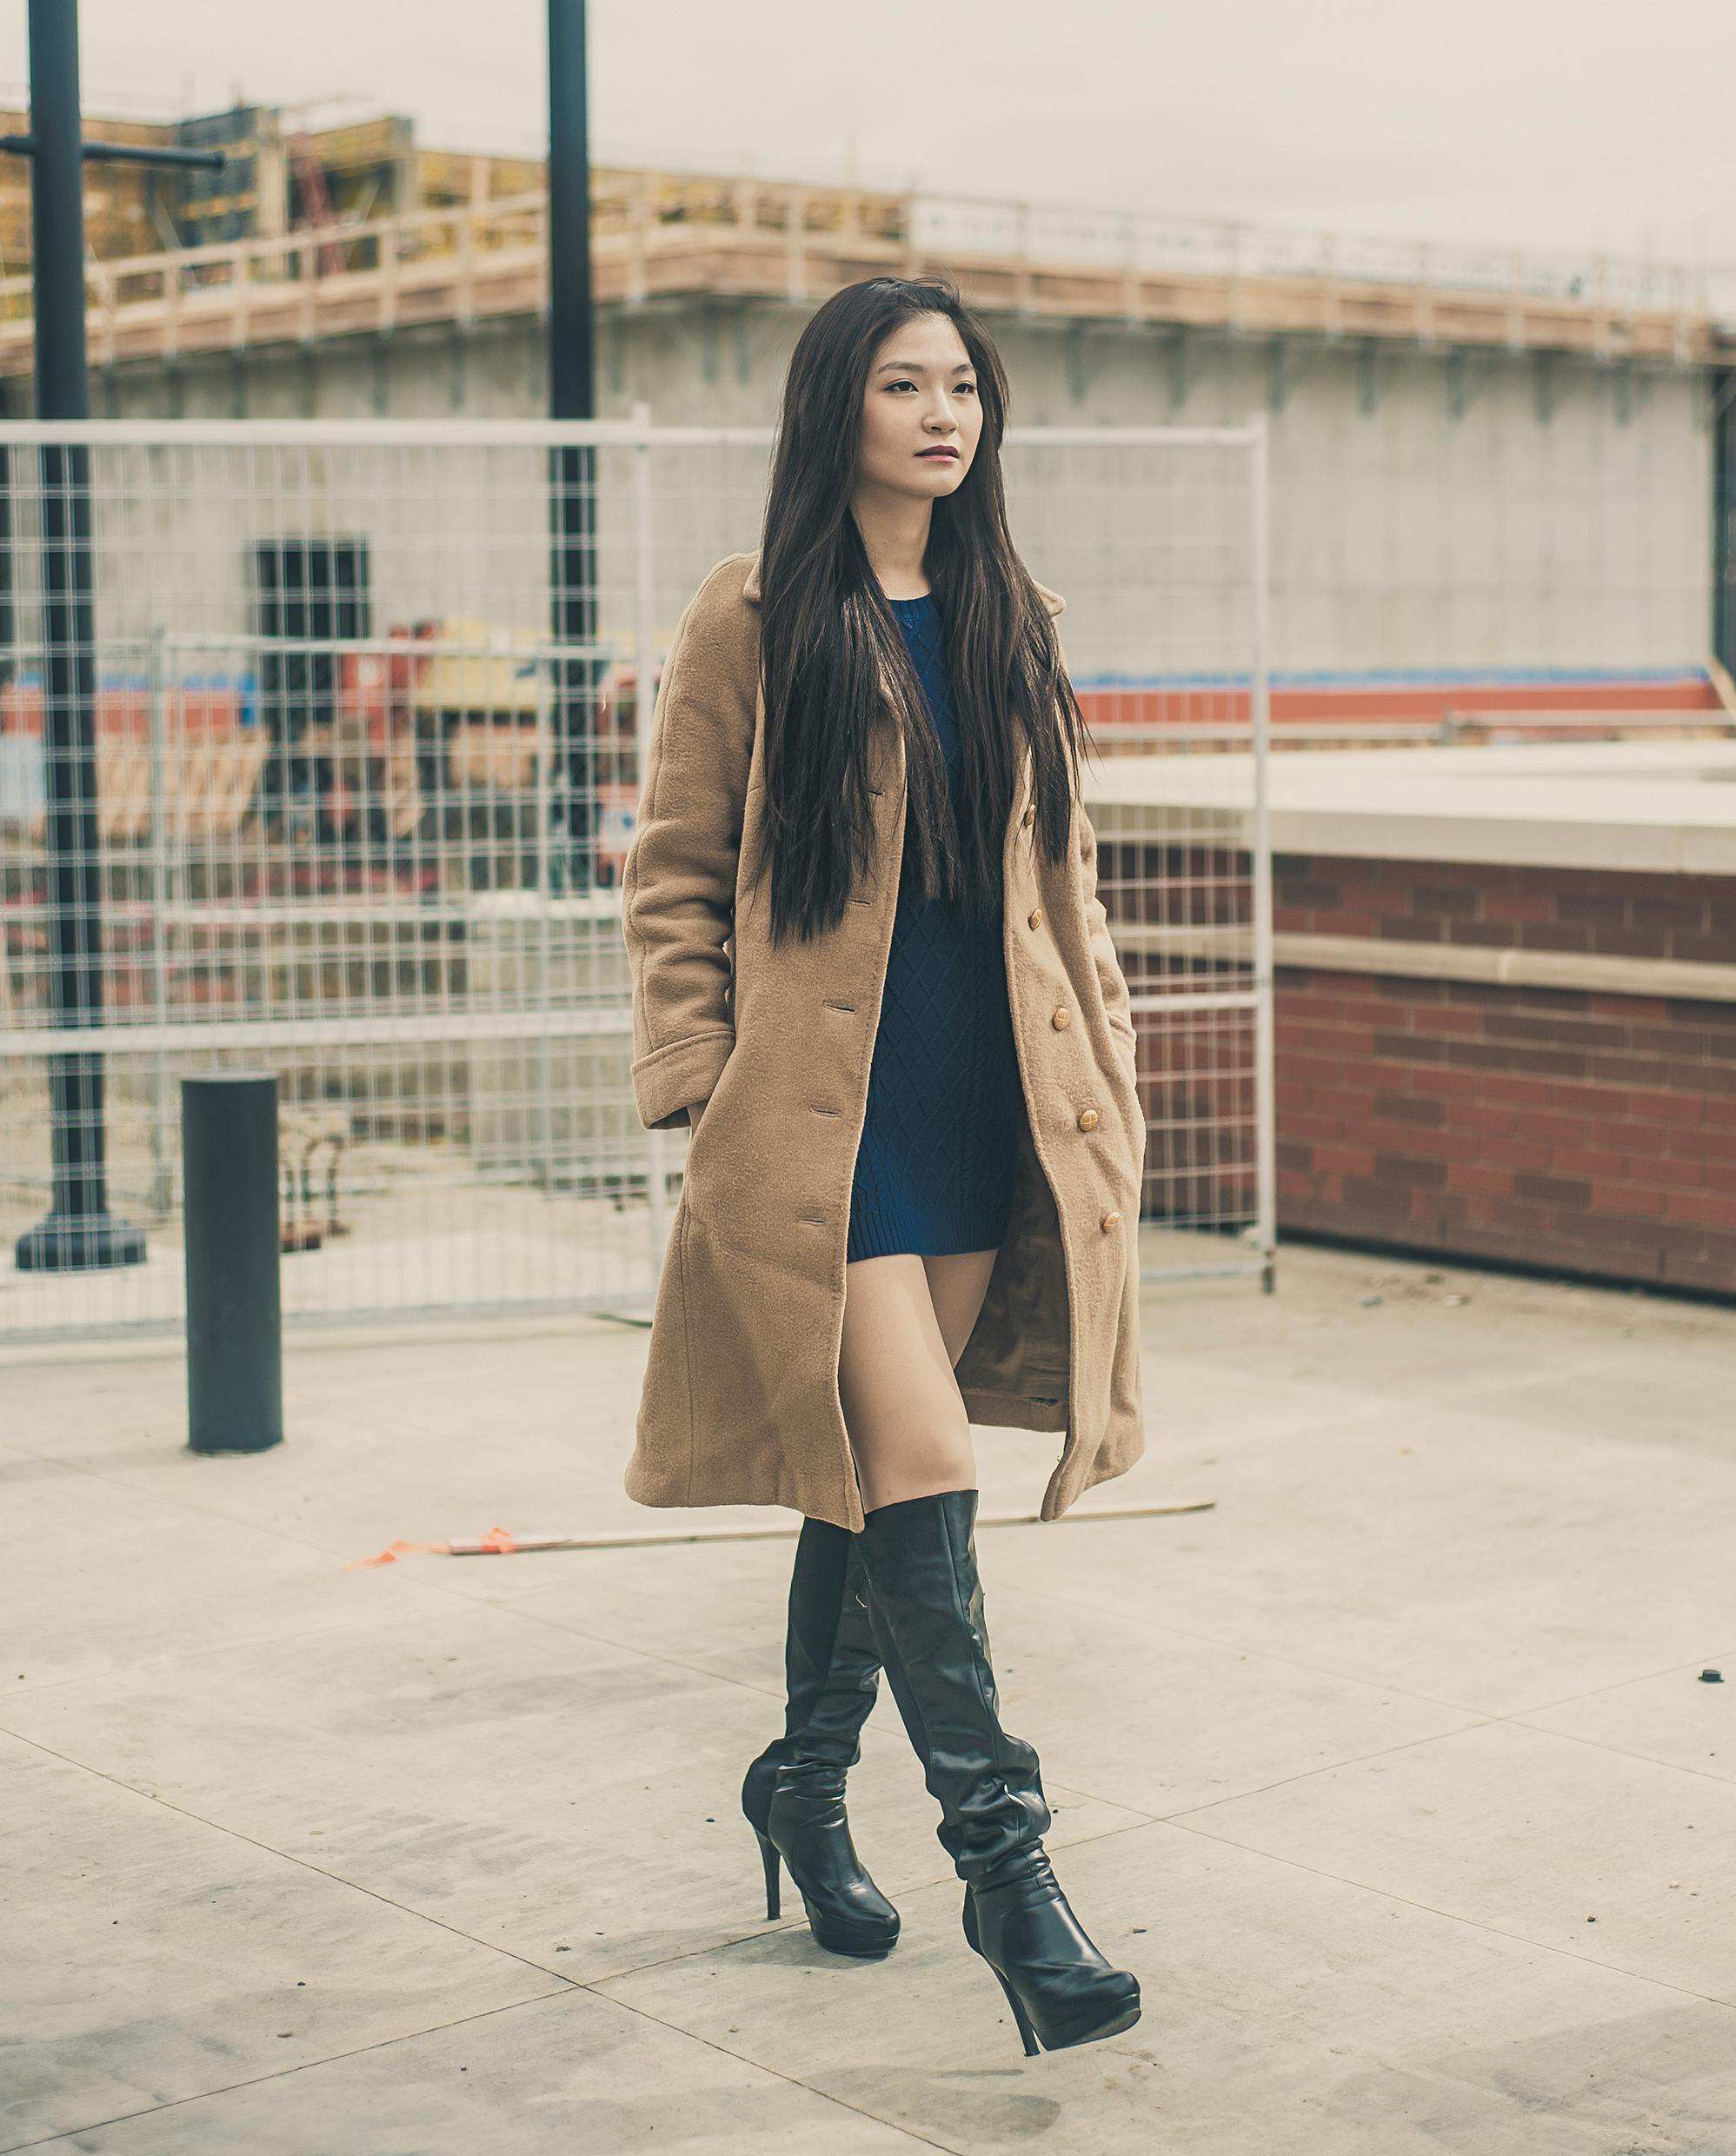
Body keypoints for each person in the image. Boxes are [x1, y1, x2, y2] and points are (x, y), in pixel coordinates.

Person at [620, 272, 1147, 2059]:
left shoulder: (1015, 610)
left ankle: (798, 1780)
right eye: (906, 384)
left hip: (982, 1108)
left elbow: (1060, 885)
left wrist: (1110, 1060)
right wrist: (701, 1085)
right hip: (815, 1136)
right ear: (837, 404)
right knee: (919, 1454)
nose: (944, 415)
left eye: (964, 389)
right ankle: (1014, 1879)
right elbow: (677, 868)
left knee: (863, 1484)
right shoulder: (758, 614)